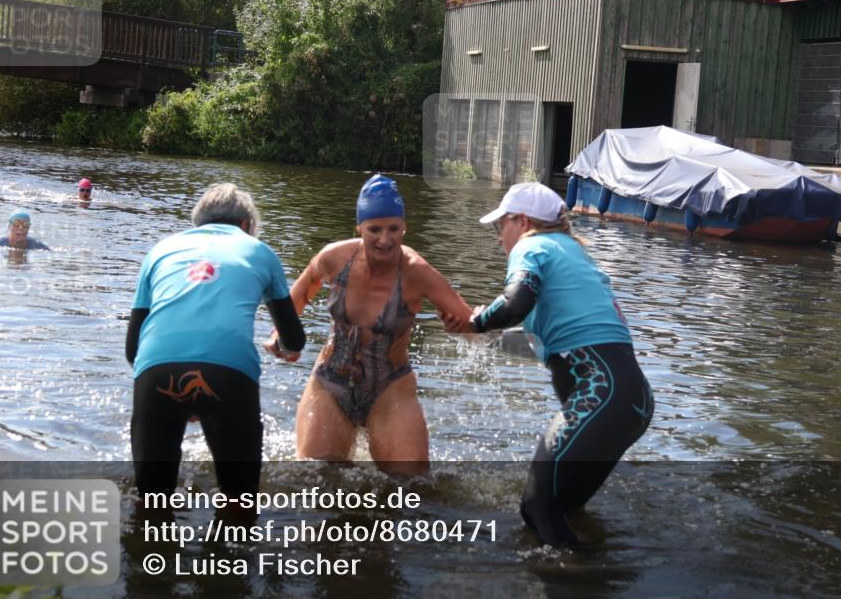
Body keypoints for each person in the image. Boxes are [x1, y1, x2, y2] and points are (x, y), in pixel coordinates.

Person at [448, 182, 654, 547]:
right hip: (632, 401)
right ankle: (596, 584)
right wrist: (482, 337)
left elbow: (515, 303)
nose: (500, 239)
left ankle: (569, 584)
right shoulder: (571, 254)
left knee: (536, 506)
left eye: (501, 227)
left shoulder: (532, 245)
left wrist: (478, 321)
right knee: (565, 509)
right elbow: (547, 345)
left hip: (601, 396)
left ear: (523, 221)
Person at [265, 174, 472, 471]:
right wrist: (278, 334)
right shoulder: (333, 258)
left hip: (390, 387)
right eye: (375, 229)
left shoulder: (418, 272)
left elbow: (471, 323)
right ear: (359, 228)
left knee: (411, 481)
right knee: (315, 475)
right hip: (331, 381)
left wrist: (463, 328)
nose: (385, 239)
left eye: (394, 229)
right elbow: (295, 298)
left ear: (404, 228)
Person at [126, 182, 305, 498]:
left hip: (156, 369)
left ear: (197, 224)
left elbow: (133, 349)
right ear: (246, 225)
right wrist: (284, 348)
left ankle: (149, 543)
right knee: (240, 500)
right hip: (229, 373)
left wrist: (183, 395)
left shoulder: (160, 250)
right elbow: (294, 337)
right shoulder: (261, 252)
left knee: (151, 500)